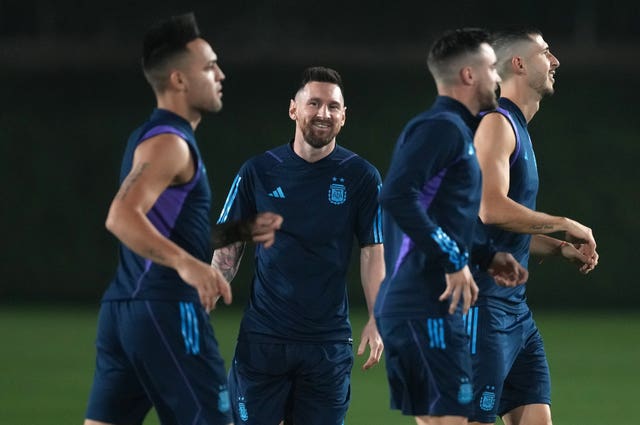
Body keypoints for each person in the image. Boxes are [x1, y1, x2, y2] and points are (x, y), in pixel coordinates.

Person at [83, 13, 282, 425]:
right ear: (178, 80)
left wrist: (238, 232)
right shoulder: (170, 143)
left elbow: (166, 230)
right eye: (209, 66)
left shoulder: (151, 136)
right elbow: (121, 217)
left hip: (124, 311)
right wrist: (189, 265)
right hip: (166, 310)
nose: (221, 74)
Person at [211, 66, 385, 425]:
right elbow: (228, 245)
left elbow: (372, 250)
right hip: (264, 340)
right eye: (315, 103)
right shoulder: (258, 171)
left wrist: (377, 316)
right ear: (294, 109)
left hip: (327, 345)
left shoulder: (361, 177)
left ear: (343, 116)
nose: (324, 113)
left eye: (333, 107)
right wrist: (204, 301)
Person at [374, 28, 529, 425]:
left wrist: (485, 254)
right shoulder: (441, 128)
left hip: (427, 304)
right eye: (491, 68)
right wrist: (451, 259)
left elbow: (444, 213)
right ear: (468, 75)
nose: (498, 78)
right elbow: (396, 196)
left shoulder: (455, 130)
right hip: (421, 304)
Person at [469, 27, 599, 425]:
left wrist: (556, 248)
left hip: (514, 313)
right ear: (519, 63)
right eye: (546, 52)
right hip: (479, 309)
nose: (555, 60)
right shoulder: (496, 123)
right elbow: (490, 209)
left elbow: (502, 228)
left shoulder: (518, 129)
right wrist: (563, 224)